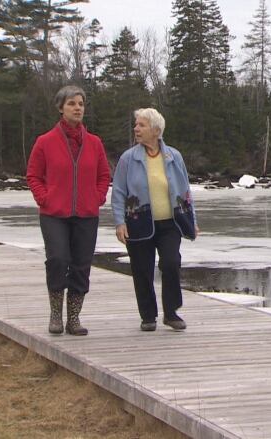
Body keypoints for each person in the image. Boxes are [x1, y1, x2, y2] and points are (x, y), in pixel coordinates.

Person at [27, 85, 111, 336]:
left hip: (86, 214)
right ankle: (56, 314)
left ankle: (74, 318)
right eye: (72, 104)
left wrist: (97, 197)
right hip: (54, 214)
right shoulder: (45, 141)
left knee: (81, 265)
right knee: (58, 259)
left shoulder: (95, 143)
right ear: (61, 108)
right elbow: (33, 175)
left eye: (81, 104)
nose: (77, 108)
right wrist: (44, 198)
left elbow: (104, 174)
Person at [111, 108, 197, 332]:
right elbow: (118, 192)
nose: (136, 129)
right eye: (136, 124)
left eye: (141, 125)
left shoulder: (173, 157)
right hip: (138, 221)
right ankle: (148, 316)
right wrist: (120, 222)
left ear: (156, 131)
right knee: (142, 269)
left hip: (170, 223)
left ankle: (171, 313)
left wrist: (192, 219)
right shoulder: (128, 159)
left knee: (170, 263)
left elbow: (185, 189)